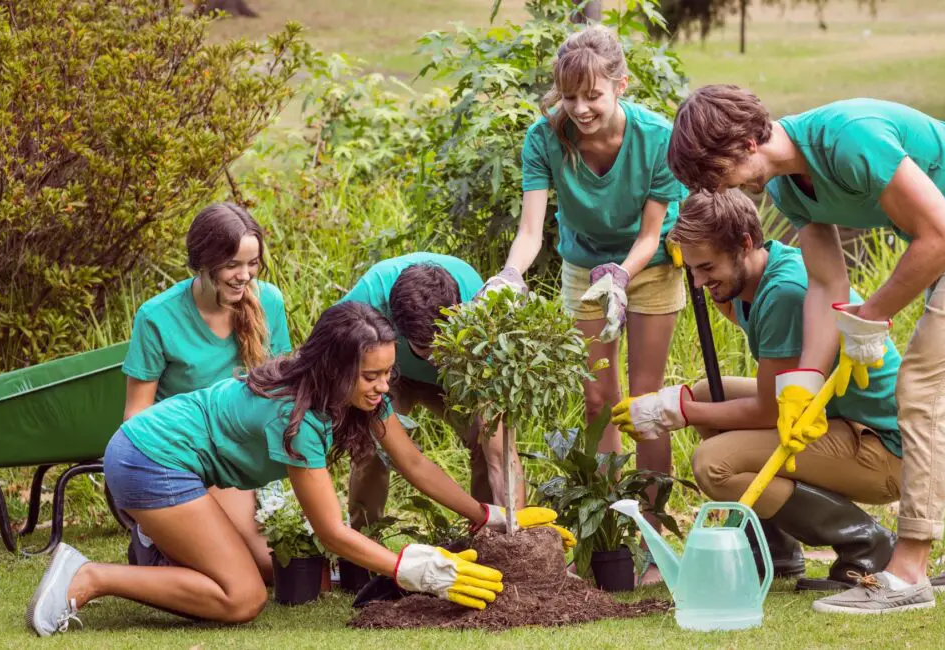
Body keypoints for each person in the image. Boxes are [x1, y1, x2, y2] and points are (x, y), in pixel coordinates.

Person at [668, 86, 945, 613]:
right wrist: (805, 381)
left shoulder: (849, 140)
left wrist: (871, 318)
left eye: (715, 172)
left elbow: (940, 237)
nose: (717, 188)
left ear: (747, 143)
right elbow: (826, 283)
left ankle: (907, 572)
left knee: (924, 387)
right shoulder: (791, 188)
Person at [26, 302, 571, 637]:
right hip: (151, 460)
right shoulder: (300, 417)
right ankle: (91, 577)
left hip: (200, 466)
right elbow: (334, 532)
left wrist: (489, 515)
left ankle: (163, 540)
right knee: (243, 599)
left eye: (388, 374)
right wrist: (412, 569)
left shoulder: (353, 394)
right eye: (371, 377)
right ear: (336, 368)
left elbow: (412, 461)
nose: (384, 388)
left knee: (267, 565)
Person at [614, 190, 902, 591]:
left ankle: (868, 544)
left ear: (745, 244)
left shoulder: (784, 293)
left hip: (882, 446)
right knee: (706, 394)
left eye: (707, 266)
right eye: (692, 269)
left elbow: (769, 411)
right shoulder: (760, 270)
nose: (697, 281)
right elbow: (733, 303)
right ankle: (775, 547)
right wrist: (704, 270)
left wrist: (674, 410)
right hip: (836, 418)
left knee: (712, 464)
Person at [481, 25, 687, 585]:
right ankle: (607, 531)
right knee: (598, 399)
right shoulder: (544, 137)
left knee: (646, 404)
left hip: (648, 270)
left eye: (593, 95)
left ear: (621, 85)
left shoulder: (657, 137)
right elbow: (530, 232)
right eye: (569, 97)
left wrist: (623, 273)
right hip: (581, 269)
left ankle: (653, 538)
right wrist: (508, 275)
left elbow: (651, 234)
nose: (581, 108)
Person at [121, 203, 291, 580]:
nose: (243, 276)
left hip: (246, 454)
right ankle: (155, 538)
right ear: (202, 261)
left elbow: (281, 394)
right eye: (232, 264)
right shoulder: (157, 316)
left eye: (252, 264)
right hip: (188, 454)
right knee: (262, 565)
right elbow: (136, 415)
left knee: (282, 563)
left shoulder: (269, 302)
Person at [337, 253, 526, 537]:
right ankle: (364, 542)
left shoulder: (481, 306)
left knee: (486, 442)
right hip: (390, 376)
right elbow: (328, 355)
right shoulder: (368, 298)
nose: (437, 357)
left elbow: (501, 455)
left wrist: (518, 536)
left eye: (444, 345)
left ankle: (494, 539)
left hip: (460, 374)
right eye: (428, 349)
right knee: (371, 446)